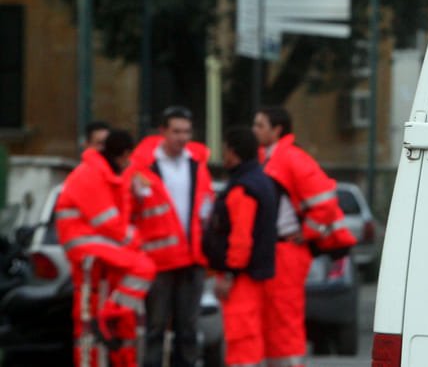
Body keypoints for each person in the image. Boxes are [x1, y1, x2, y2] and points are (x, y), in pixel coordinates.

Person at [253, 106, 356, 367]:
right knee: (276, 320)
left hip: (287, 251)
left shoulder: (290, 158)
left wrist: (307, 232)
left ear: (276, 130)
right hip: (279, 250)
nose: (255, 131)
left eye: (260, 126)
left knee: (286, 320)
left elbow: (325, 200)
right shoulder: (272, 156)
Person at [56, 129, 156, 367]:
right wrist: (133, 240)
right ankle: (109, 315)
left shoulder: (108, 174)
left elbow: (118, 219)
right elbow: (107, 221)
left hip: (97, 246)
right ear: (123, 155)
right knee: (143, 267)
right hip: (87, 245)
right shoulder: (91, 175)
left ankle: (111, 317)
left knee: (121, 324)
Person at [124, 106, 214, 367]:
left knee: (188, 330)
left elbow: (205, 208)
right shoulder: (143, 168)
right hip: (158, 261)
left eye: (186, 131)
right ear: (162, 132)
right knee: (155, 329)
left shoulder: (196, 164)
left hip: (193, 259)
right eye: (176, 131)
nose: (182, 137)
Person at [202, 127, 278, 367]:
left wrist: (229, 274)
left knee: (241, 341)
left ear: (232, 152)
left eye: (224, 149)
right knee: (251, 340)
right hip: (255, 275)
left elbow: (240, 238)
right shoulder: (260, 181)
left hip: (242, 279)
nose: (222, 154)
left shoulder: (243, 188)